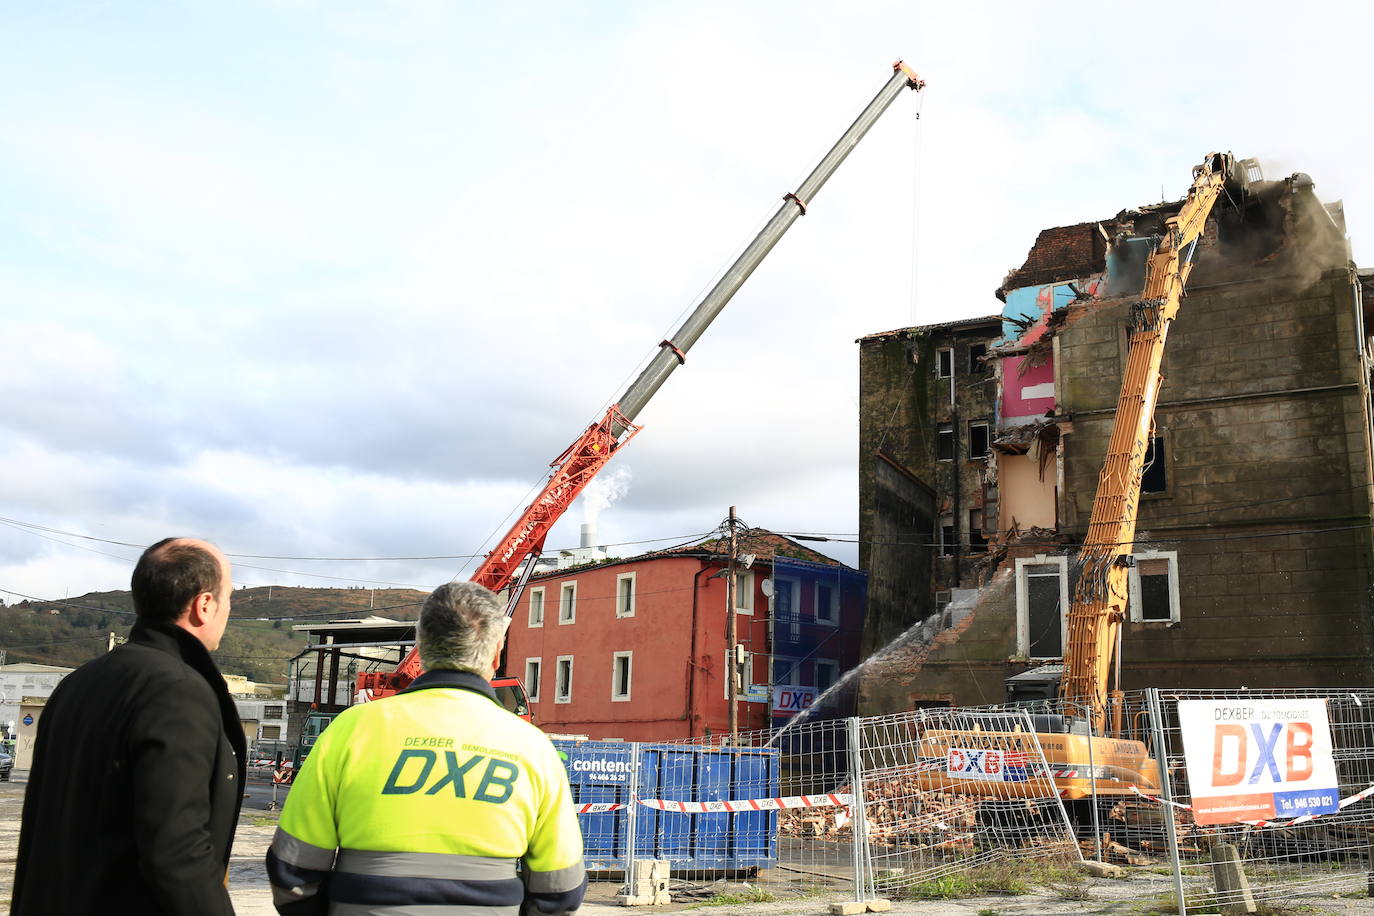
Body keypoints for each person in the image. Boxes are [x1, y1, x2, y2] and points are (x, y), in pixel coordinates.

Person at [268, 581, 587, 916]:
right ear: (496, 654)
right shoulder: (532, 747)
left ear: (420, 645)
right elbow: (560, 888)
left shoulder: (349, 730)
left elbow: (292, 870)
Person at [12, 537, 245, 915]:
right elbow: (177, 852)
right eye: (229, 598)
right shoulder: (178, 691)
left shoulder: (77, 683)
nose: (229, 610)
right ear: (204, 605)